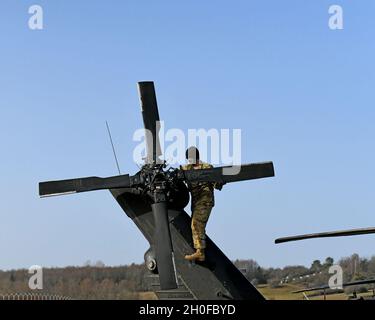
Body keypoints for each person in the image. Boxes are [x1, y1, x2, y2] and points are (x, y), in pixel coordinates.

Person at [181, 147, 224, 262]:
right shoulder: (186, 169)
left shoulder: (206, 168)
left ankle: (200, 252)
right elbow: (178, 176)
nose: (190, 160)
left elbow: (217, 184)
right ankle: (200, 249)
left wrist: (220, 180)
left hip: (205, 201)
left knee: (196, 224)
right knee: (197, 225)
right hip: (195, 202)